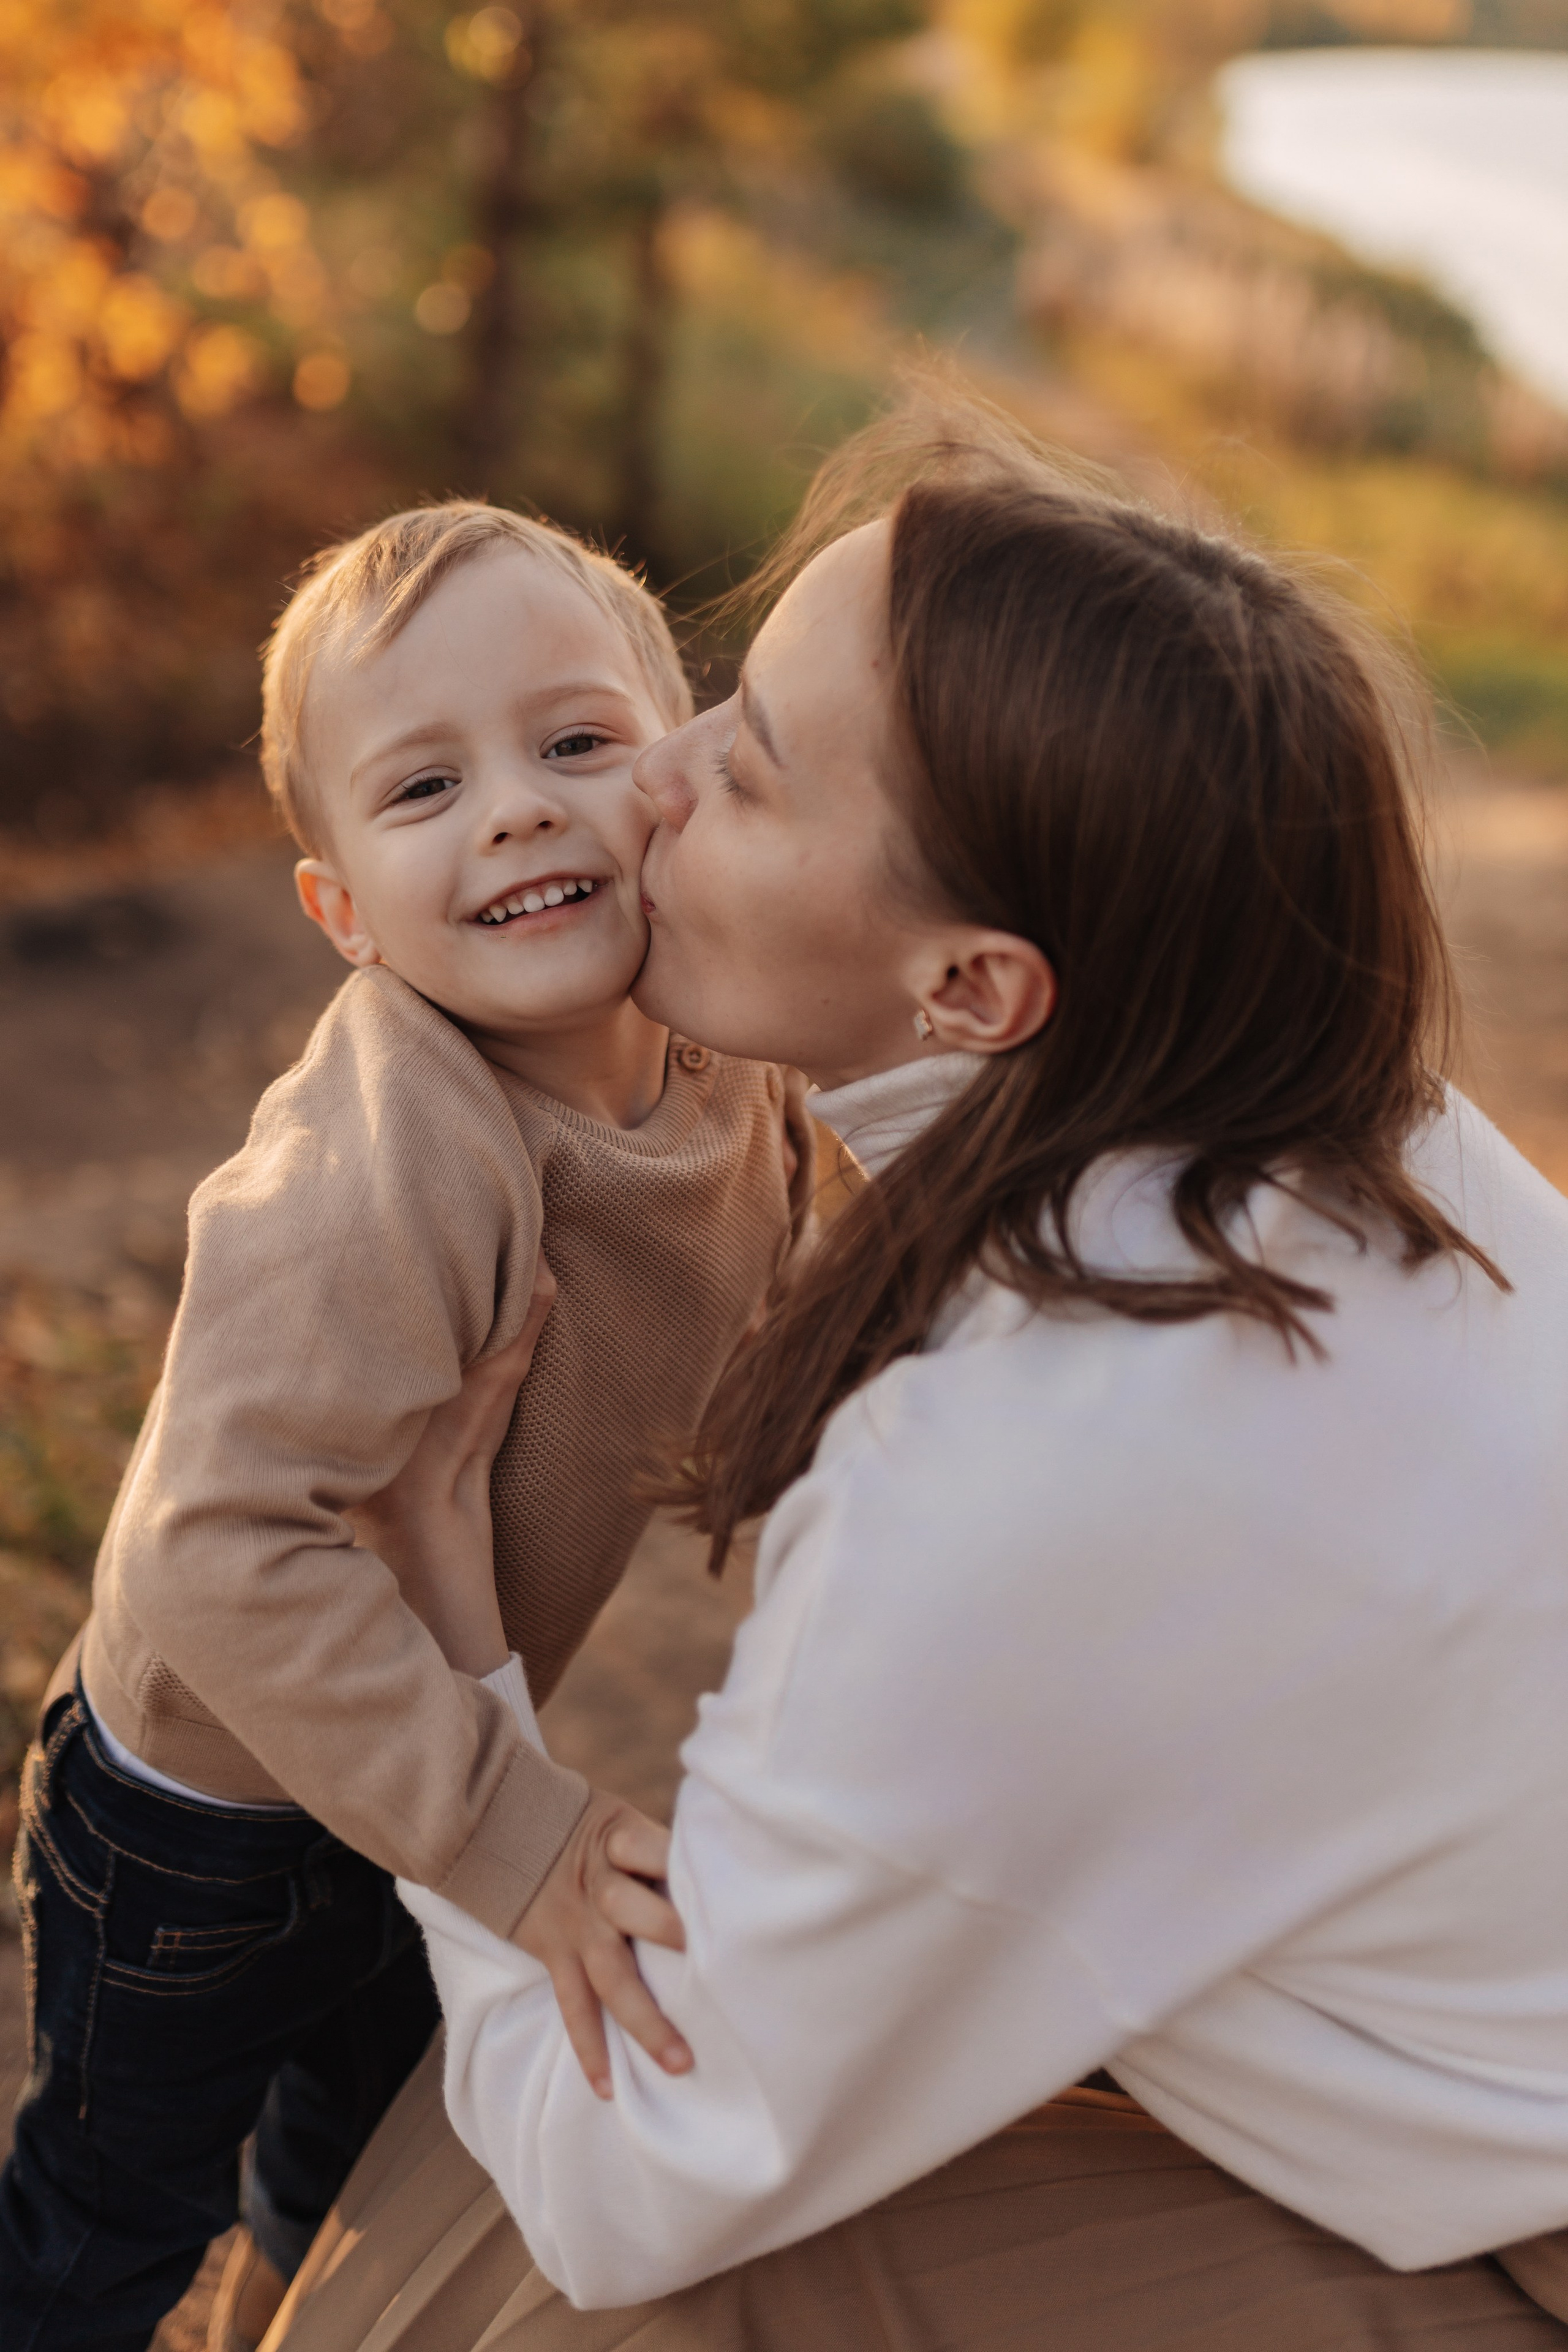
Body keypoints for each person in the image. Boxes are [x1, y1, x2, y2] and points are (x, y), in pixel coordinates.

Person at [271, 399, 1568, 2350]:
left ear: (977, 980)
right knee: (459, 2167)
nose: (660, 775)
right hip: (1457, 2072)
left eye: (757, 773)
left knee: (520, 2309)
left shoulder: (1035, 1461)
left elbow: (639, 2186)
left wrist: (452, 1658)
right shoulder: (1294, 1080)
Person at [0, 503, 810, 2352]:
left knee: (366, 2144)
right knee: (114, 2212)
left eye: (575, 744)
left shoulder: (718, 1045)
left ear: (677, 774)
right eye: (426, 786)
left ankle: (285, 2320)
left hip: (421, 1747)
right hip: (211, 1816)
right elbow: (209, 1545)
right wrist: (491, 1826)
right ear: (342, 912)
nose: (519, 808)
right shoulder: (393, 1152)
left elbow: (796, 1251)